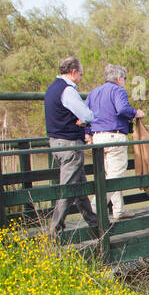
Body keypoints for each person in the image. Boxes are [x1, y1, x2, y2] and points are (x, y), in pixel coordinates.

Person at [43, 56, 99, 235]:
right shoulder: (67, 90)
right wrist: (84, 120)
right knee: (67, 188)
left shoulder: (52, 88)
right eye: (81, 74)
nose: (81, 78)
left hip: (56, 142)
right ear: (73, 72)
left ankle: (95, 223)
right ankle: (54, 230)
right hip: (70, 145)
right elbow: (88, 115)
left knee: (79, 186)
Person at [88, 64, 145, 222]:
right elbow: (122, 109)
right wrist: (135, 112)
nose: (125, 81)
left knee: (110, 174)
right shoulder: (118, 90)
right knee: (116, 176)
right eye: (125, 78)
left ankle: (119, 210)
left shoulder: (94, 92)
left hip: (98, 138)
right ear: (119, 79)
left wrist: (88, 134)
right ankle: (94, 208)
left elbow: (85, 114)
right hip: (114, 136)